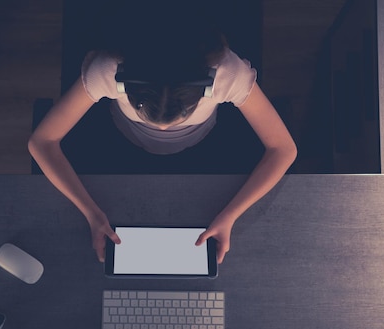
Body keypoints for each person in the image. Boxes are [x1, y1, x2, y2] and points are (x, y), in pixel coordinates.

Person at [28, 2, 297, 264]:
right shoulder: (108, 70)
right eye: (151, 116)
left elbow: (284, 149)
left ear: (206, 86)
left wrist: (231, 215)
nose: (163, 128)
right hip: (123, 141)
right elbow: (41, 142)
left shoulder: (227, 74)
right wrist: (91, 213)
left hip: (203, 144)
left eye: (176, 118)